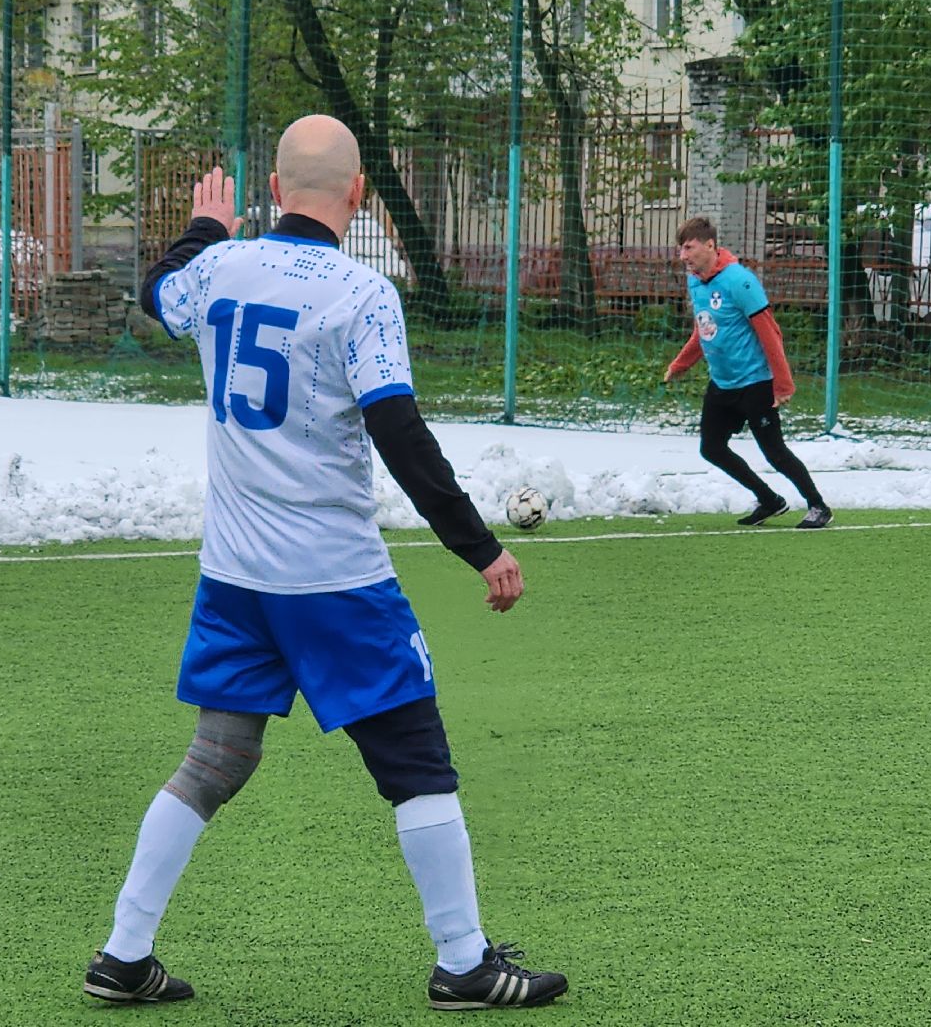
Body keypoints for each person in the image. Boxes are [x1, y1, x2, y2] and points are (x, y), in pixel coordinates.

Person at [83, 115, 568, 1012]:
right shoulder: (361, 292)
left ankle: (123, 953)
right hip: (334, 581)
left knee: (215, 760)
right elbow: (398, 433)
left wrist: (203, 230)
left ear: (274, 190)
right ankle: (463, 963)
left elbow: (157, 292)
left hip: (235, 579)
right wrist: (481, 547)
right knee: (418, 763)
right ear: (359, 194)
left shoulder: (219, 267)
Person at [663, 216, 833, 529]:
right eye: (681, 249)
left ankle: (818, 505)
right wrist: (681, 364)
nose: (682, 256)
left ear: (710, 245)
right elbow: (704, 329)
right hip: (722, 383)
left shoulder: (740, 281)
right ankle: (769, 500)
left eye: (688, 248)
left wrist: (783, 384)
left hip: (755, 383)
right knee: (711, 449)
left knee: (775, 453)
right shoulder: (695, 281)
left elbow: (770, 333)